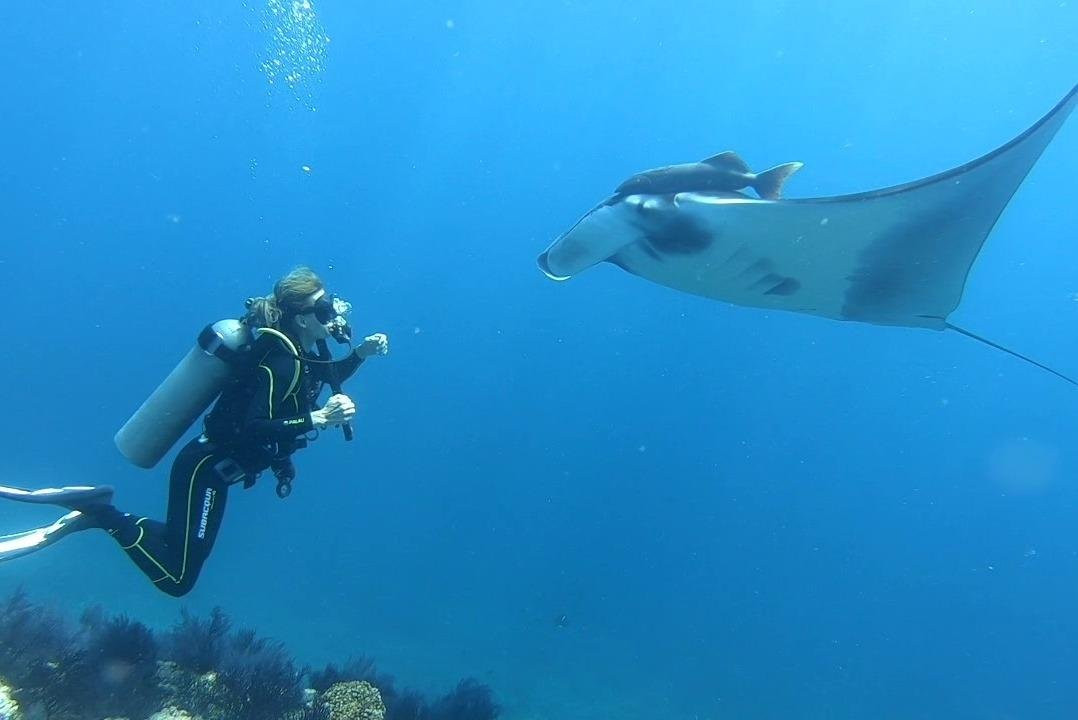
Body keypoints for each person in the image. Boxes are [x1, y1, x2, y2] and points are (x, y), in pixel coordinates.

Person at [0, 266, 389, 596]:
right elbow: (252, 427)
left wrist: (360, 355)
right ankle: (99, 510)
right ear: (301, 317)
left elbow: (324, 377)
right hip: (204, 470)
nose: (332, 313)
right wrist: (317, 420)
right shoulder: (280, 360)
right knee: (177, 577)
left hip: (217, 474)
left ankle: (94, 513)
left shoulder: (304, 354)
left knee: (179, 555)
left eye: (330, 302)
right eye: (322, 308)